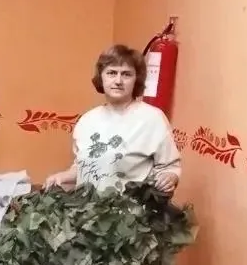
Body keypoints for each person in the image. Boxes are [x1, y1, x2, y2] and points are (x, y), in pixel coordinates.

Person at [46, 44, 181, 194]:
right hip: (89, 207)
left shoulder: (153, 119)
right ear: (101, 77)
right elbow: (84, 167)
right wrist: (62, 177)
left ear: (136, 79)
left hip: (132, 207)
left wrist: (169, 177)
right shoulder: (87, 121)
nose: (118, 80)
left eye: (126, 74)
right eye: (111, 73)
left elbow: (169, 168)